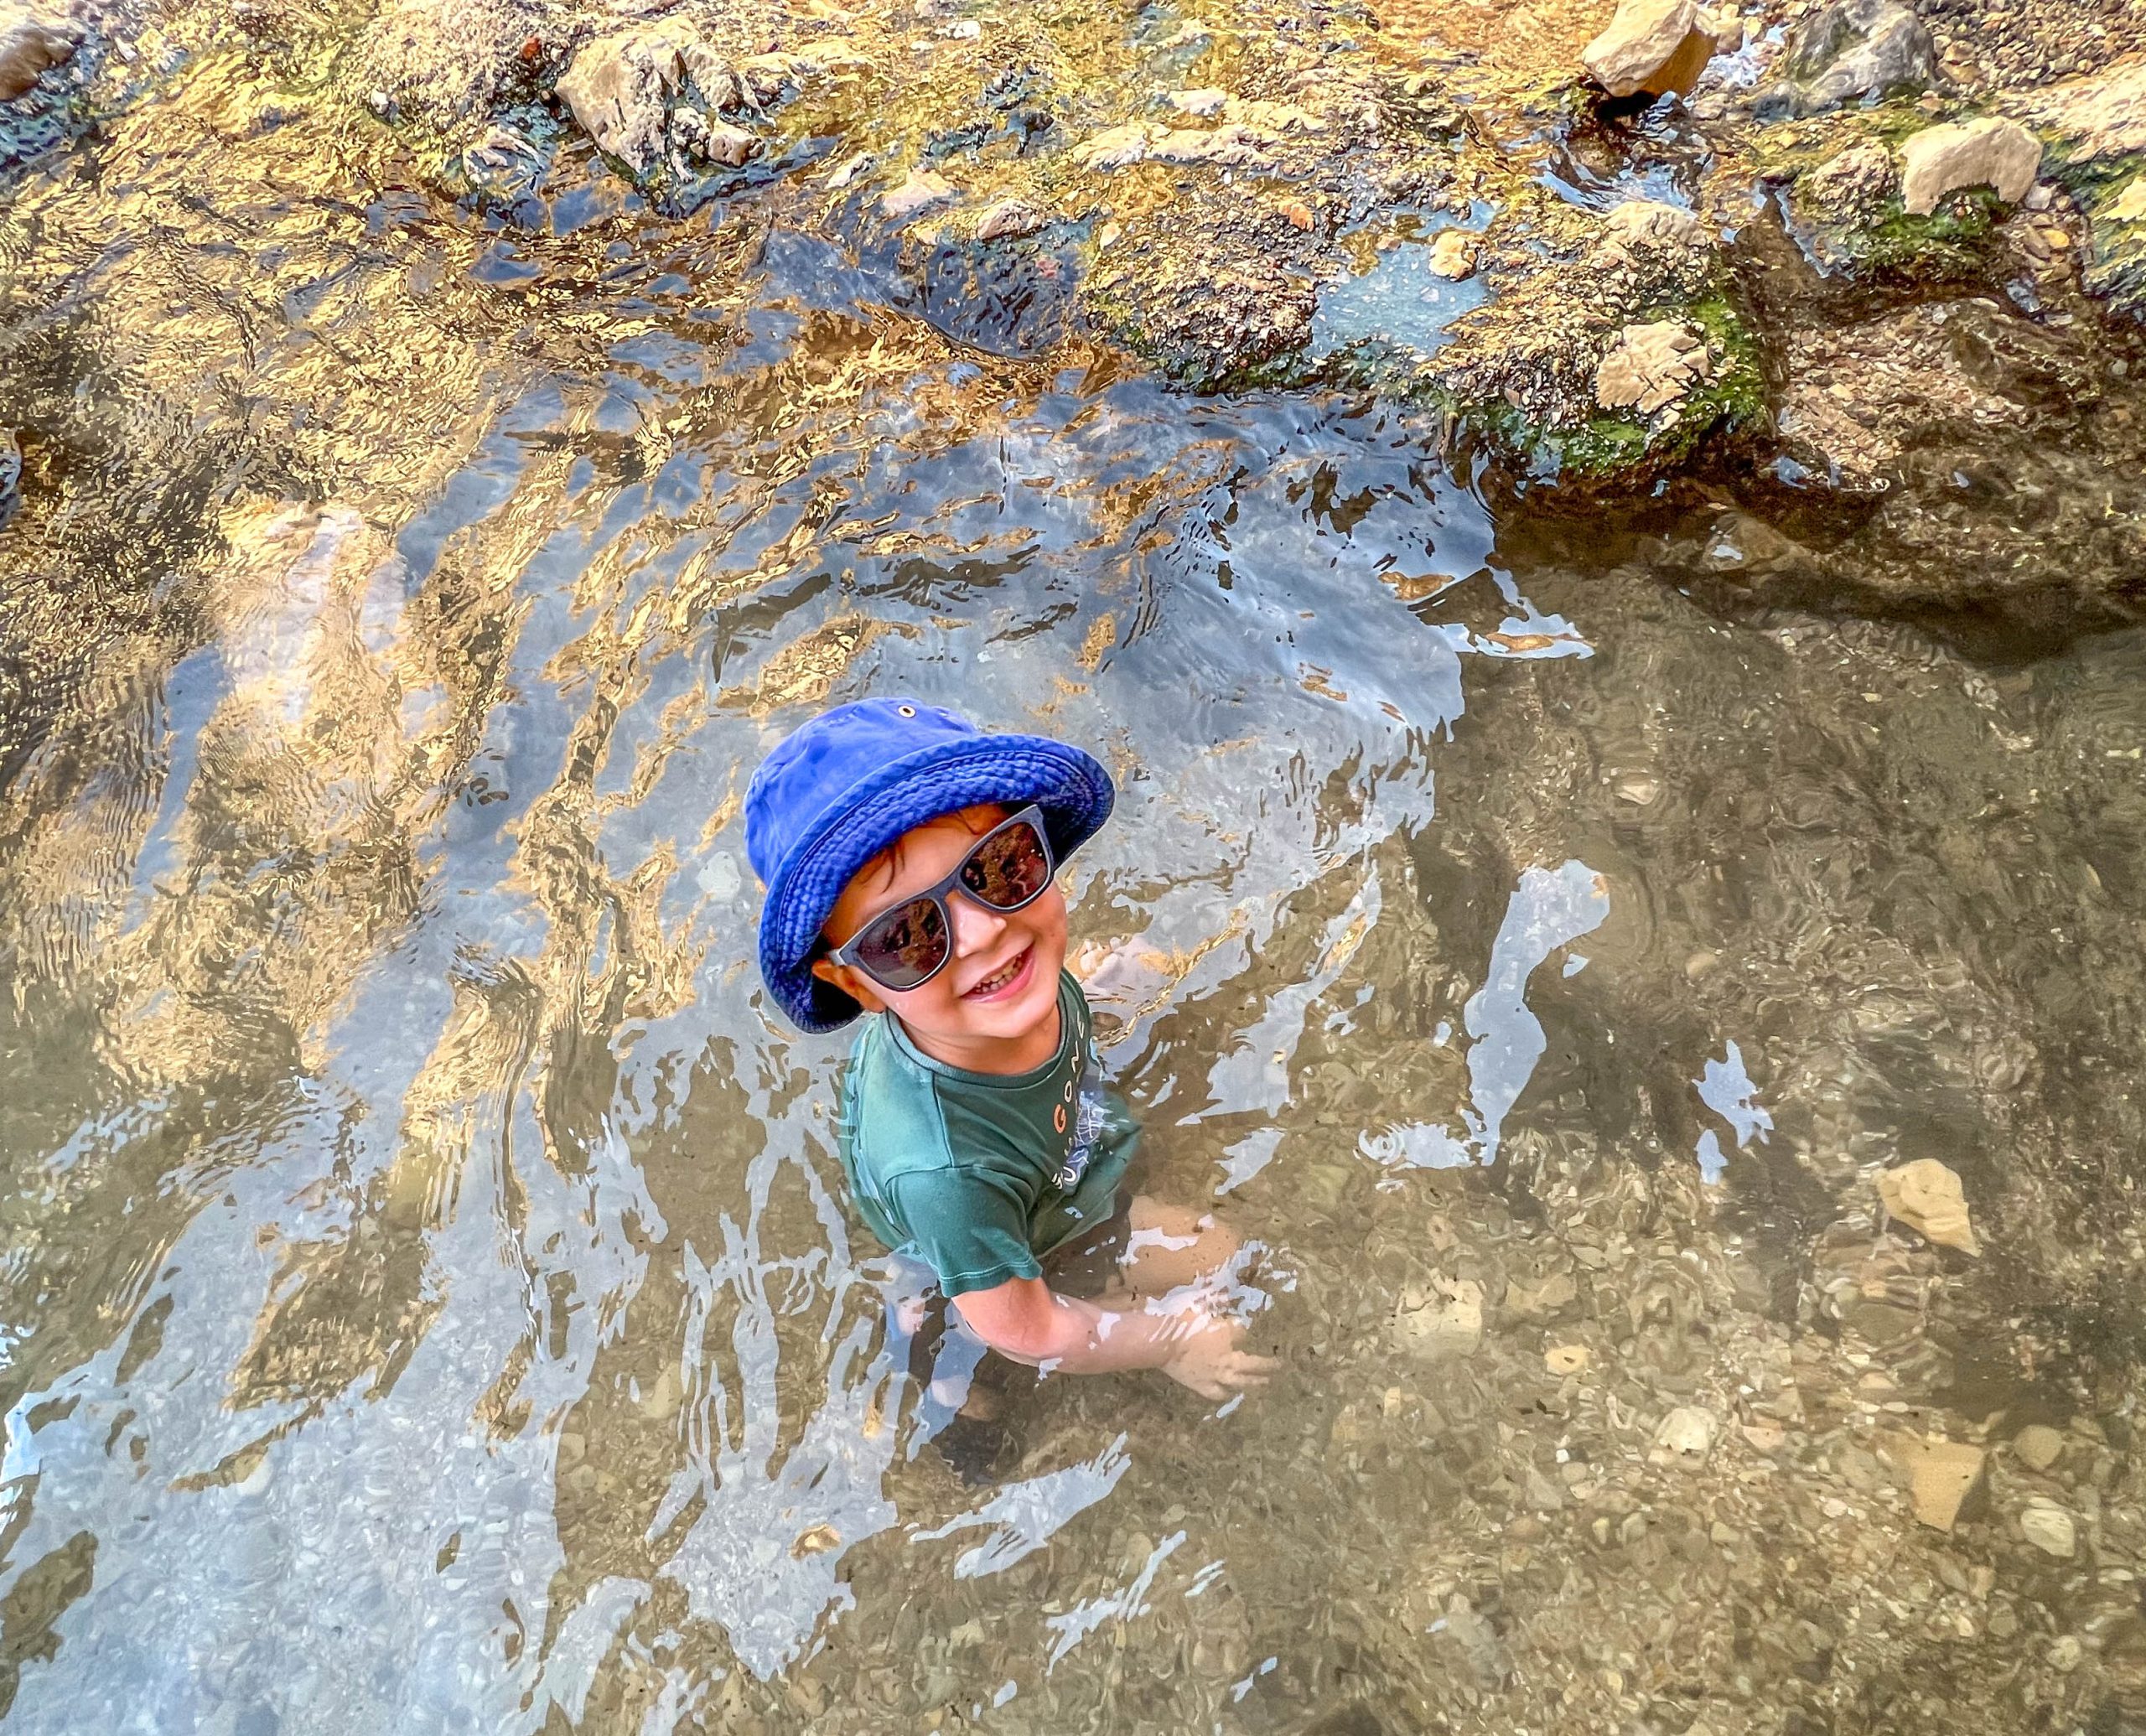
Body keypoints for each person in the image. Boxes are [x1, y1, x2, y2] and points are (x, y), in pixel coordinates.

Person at [744, 697, 1276, 1407]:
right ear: (855, 984)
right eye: (906, 936)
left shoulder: (988, 988)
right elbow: (1030, 1332)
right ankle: (951, 1375)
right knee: (1222, 1257)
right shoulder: (948, 1174)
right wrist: (1169, 1336)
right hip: (1010, 1228)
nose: (982, 934)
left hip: (1037, 1160)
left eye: (998, 869)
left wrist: (1099, 988)